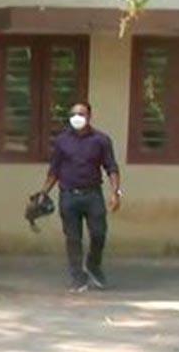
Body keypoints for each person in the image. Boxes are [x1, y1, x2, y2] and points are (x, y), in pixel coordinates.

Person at [37, 102, 121, 291]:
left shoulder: (101, 140)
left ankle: (93, 265)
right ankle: (78, 276)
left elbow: (111, 167)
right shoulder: (61, 141)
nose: (77, 117)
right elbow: (54, 170)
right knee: (73, 238)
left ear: (89, 116)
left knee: (99, 234)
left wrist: (116, 193)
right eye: (73, 114)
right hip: (68, 195)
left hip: (92, 195)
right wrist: (44, 193)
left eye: (81, 114)